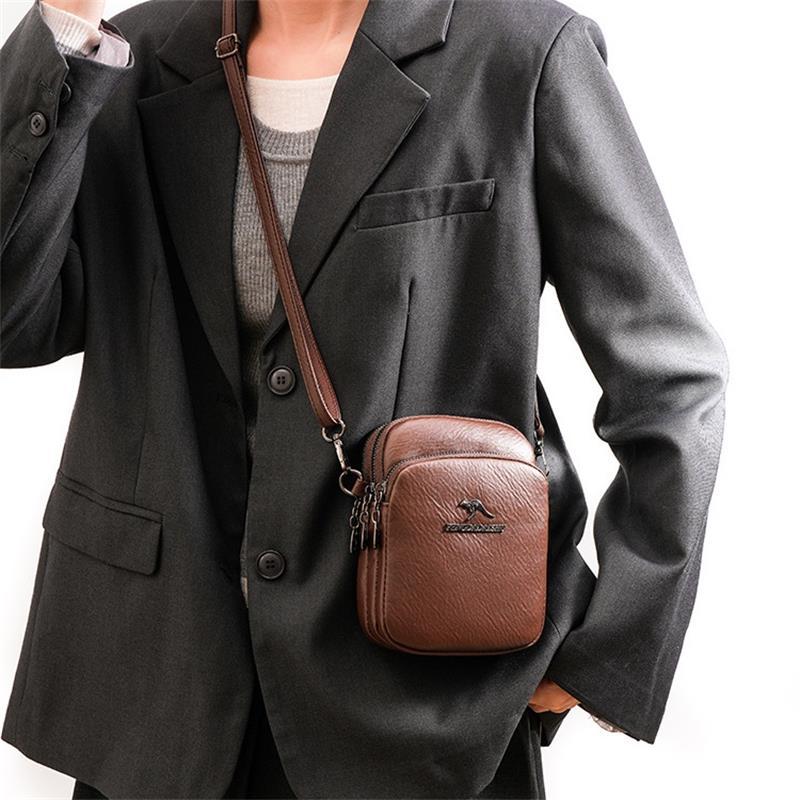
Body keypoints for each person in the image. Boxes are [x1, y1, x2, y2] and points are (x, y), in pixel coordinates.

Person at [0, 0, 728, 797]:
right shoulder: (137, 53)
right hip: (160, 692)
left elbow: (671, 375)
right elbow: (13, 322)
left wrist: (610, 651)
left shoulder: (522, 54)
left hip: (420, 697)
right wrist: (63, 30)